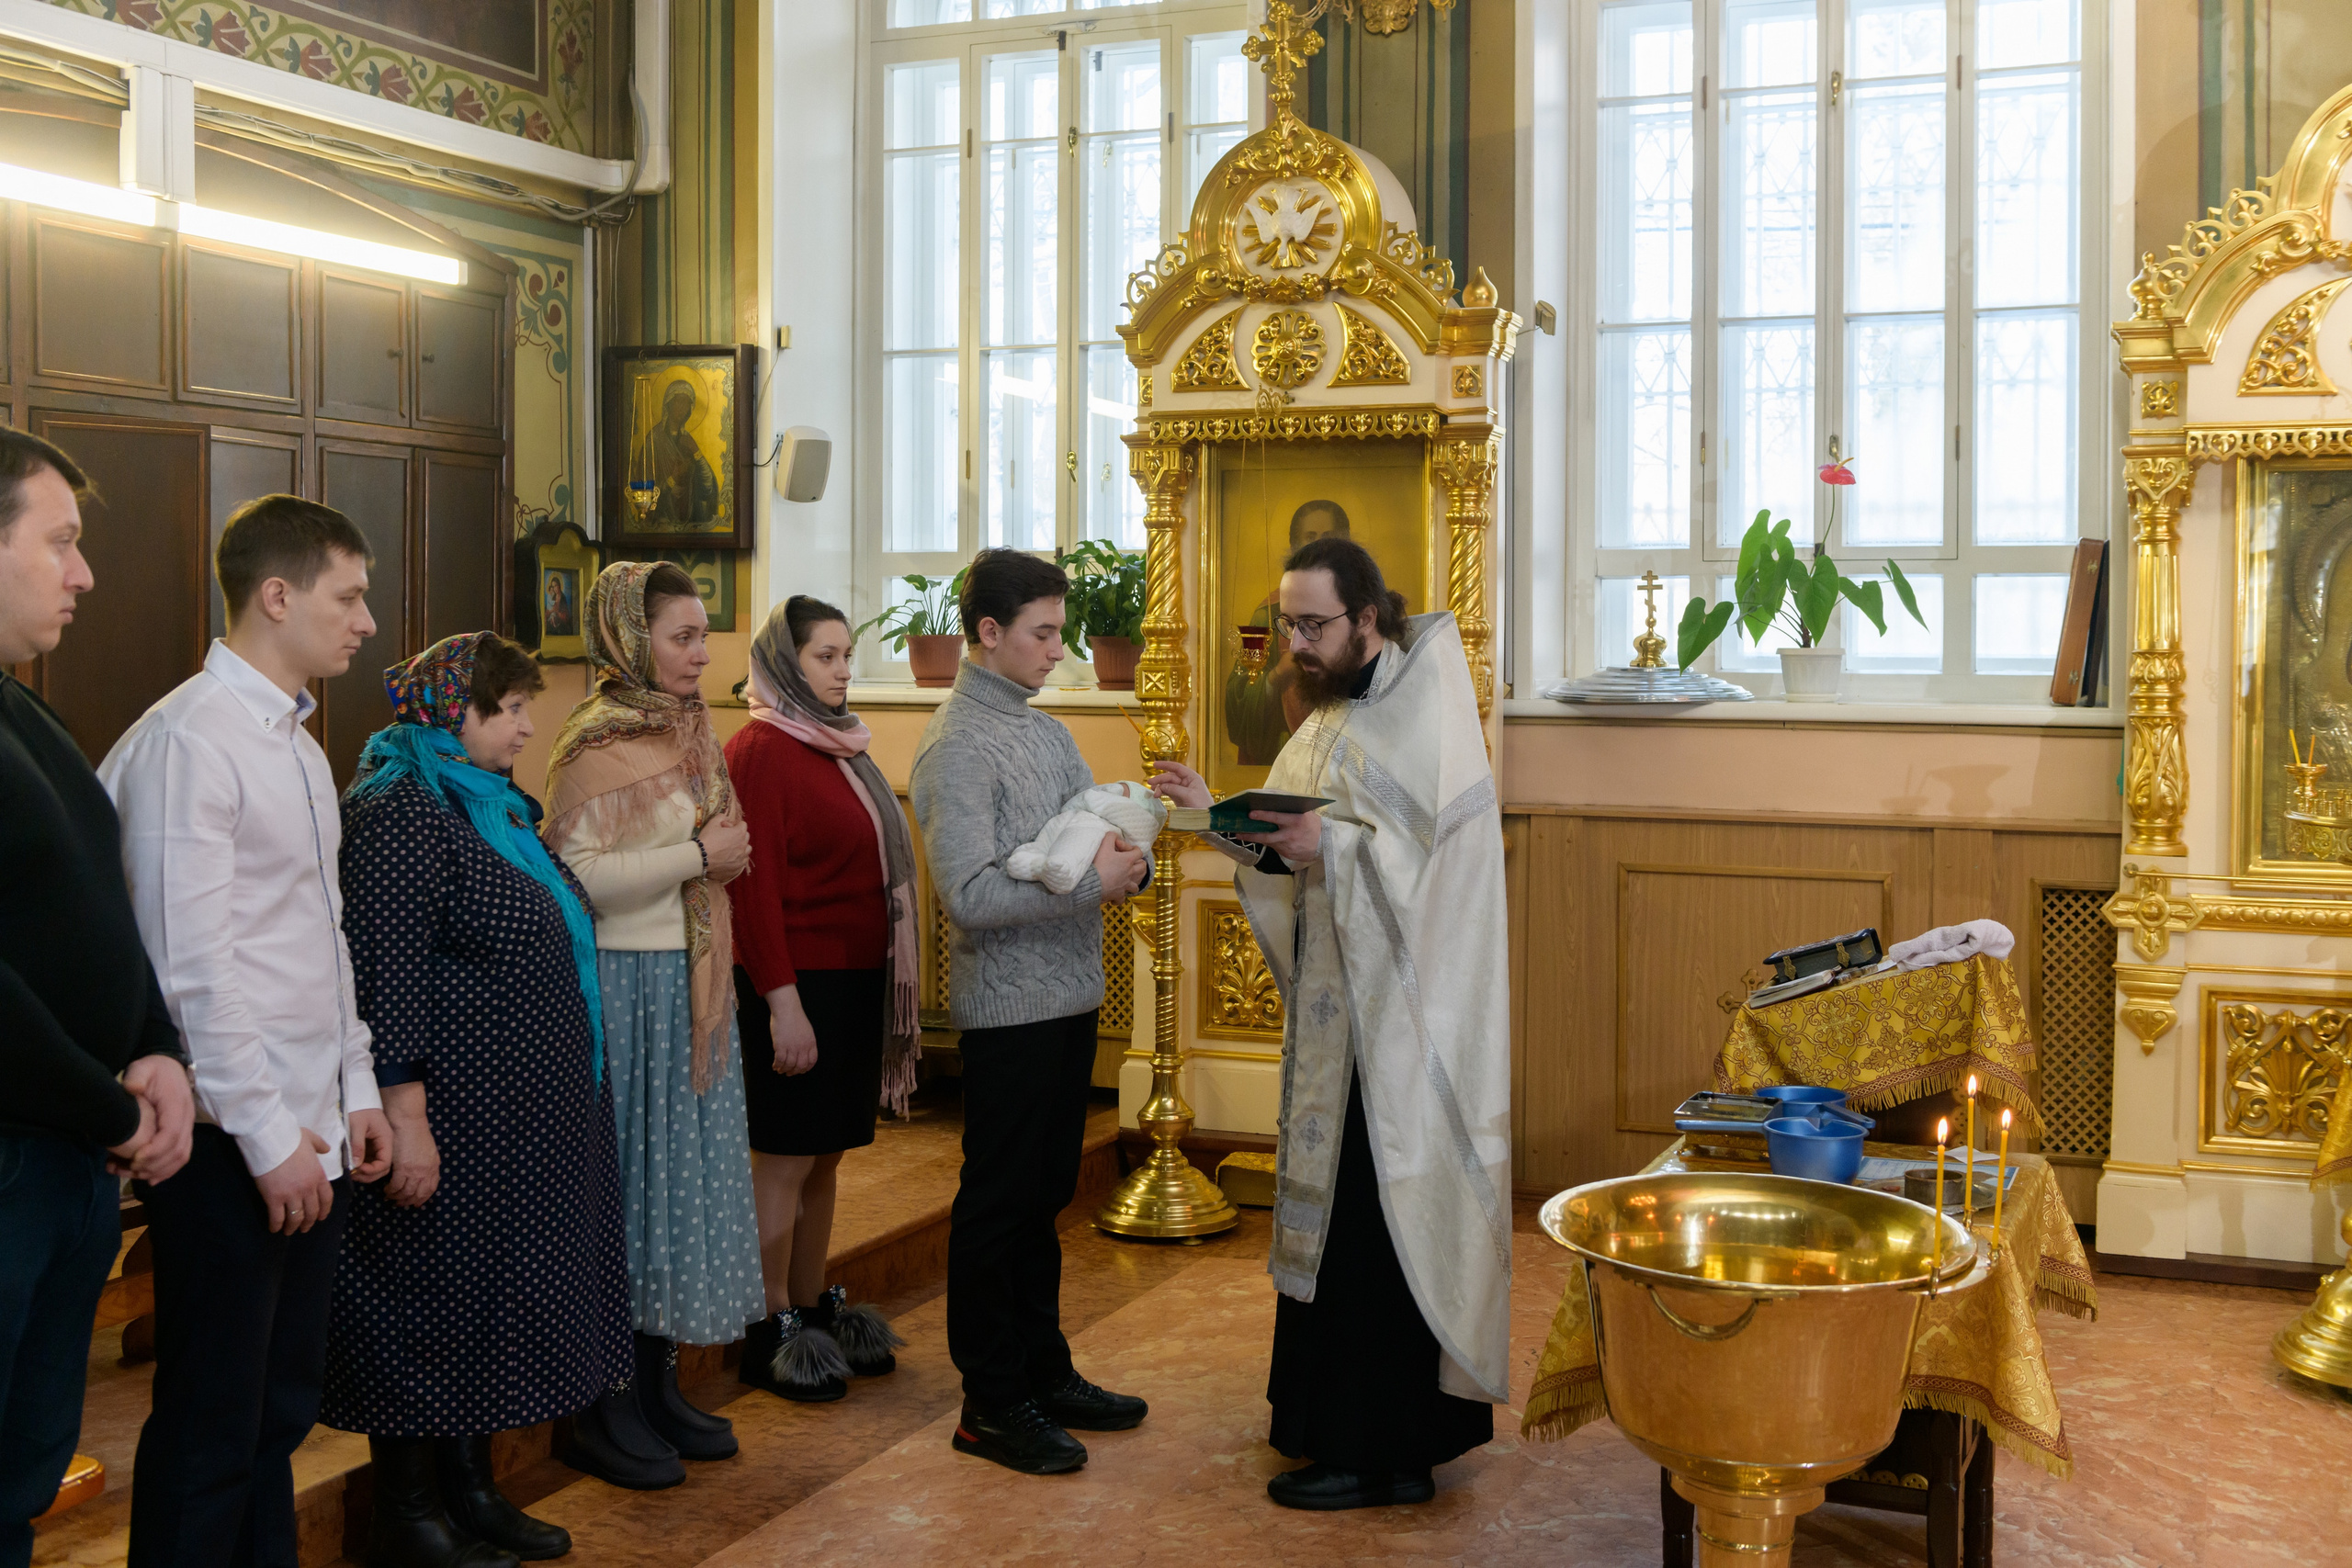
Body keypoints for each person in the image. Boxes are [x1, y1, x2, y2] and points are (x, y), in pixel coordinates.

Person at [1151, 536, 1510, 1512]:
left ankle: (1381, 1448)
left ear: (1367, 619)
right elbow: (1297, 840)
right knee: (1342, 1222)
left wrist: (1333, 850)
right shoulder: (1333, 711)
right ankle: (1336, 1429)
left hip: (1404, 1031)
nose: (1296, 645)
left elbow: (1435, 876)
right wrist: (1221, 816)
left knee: (1375, 1223)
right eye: (1288, 625)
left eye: (1314, 625)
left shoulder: (1424, 709)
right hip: (1339, 1017)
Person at [98, 494, 396, 1565]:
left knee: (277, 1412)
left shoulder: (299, 744)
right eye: (349, 595)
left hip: (301, 1124)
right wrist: (269, 1136)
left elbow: (319, 940)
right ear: (277, 595)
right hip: (229, 1141)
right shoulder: (190, 741)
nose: (367, 620)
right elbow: (192, 974)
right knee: (213, 1420)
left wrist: (354, 1087)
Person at [322, 632, 637, 1565]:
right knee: (427, 1310)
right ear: (450, 711)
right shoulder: (398, 810)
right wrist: (406, 1116)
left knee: (484, 1311)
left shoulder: (491, 805)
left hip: (515, 1126)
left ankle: (471, 1489)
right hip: (446, 1121)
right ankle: (408, 1511)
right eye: (508, 709)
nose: (526, 725)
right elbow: (387, 978)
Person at [909, 548, 1151, 1476]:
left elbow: (1081, 841)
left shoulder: (1045, 735)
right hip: (1008, 1009)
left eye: (1059, 631)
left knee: (1044, 1198)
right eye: (1044, 633)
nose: (1060, 649)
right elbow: (968, 895)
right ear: (987, 634)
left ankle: (1044, 1371)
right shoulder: (956, 744)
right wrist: (1090, 884)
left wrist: (1126, 857)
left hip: (1068, 996)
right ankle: (990, 1402)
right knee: (999, 1204)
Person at [0, 429, 194, 1567]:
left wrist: (154, 1047)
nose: (83, 574)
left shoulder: (30, 715)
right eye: (60, 542)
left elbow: (93, 915)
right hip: (28, 1146)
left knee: (22, 1475)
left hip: (66, 1152)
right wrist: (110, 1107)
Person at [542, 561, 763, 1475]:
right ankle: (601, 1406)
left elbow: (719, 854)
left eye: (703, 634)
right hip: (627, 990)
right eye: (679, 636)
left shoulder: (692, 727)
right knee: (628, 1197)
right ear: (631, 639)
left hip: (691, 985)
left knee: (672, 1196)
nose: (697, 653)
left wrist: (711, 858)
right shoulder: (591, 742)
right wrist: (693, 855)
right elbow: (575, 877)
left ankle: (658, 1383)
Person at [726, 596, 916, 1403]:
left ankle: (810, 1303)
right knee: (786, 1152)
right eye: (824, 657)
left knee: (829, 1150)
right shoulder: (762, 748)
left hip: (852, 981)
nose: (842, 670)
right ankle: (768, 1323)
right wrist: (782, 1000)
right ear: (784, 662)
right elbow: (750, 888)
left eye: (846, 655)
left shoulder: (840, 744)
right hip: (794, 982)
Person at [1226, 498, 1351, 765]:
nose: (1318, 545)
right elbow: (1239, 702)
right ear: (1296, 545)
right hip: (1285, 754)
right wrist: (1276, 677)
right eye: (1310, 537)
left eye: (1328, 537)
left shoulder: (1360, 613)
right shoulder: (1266, 615)